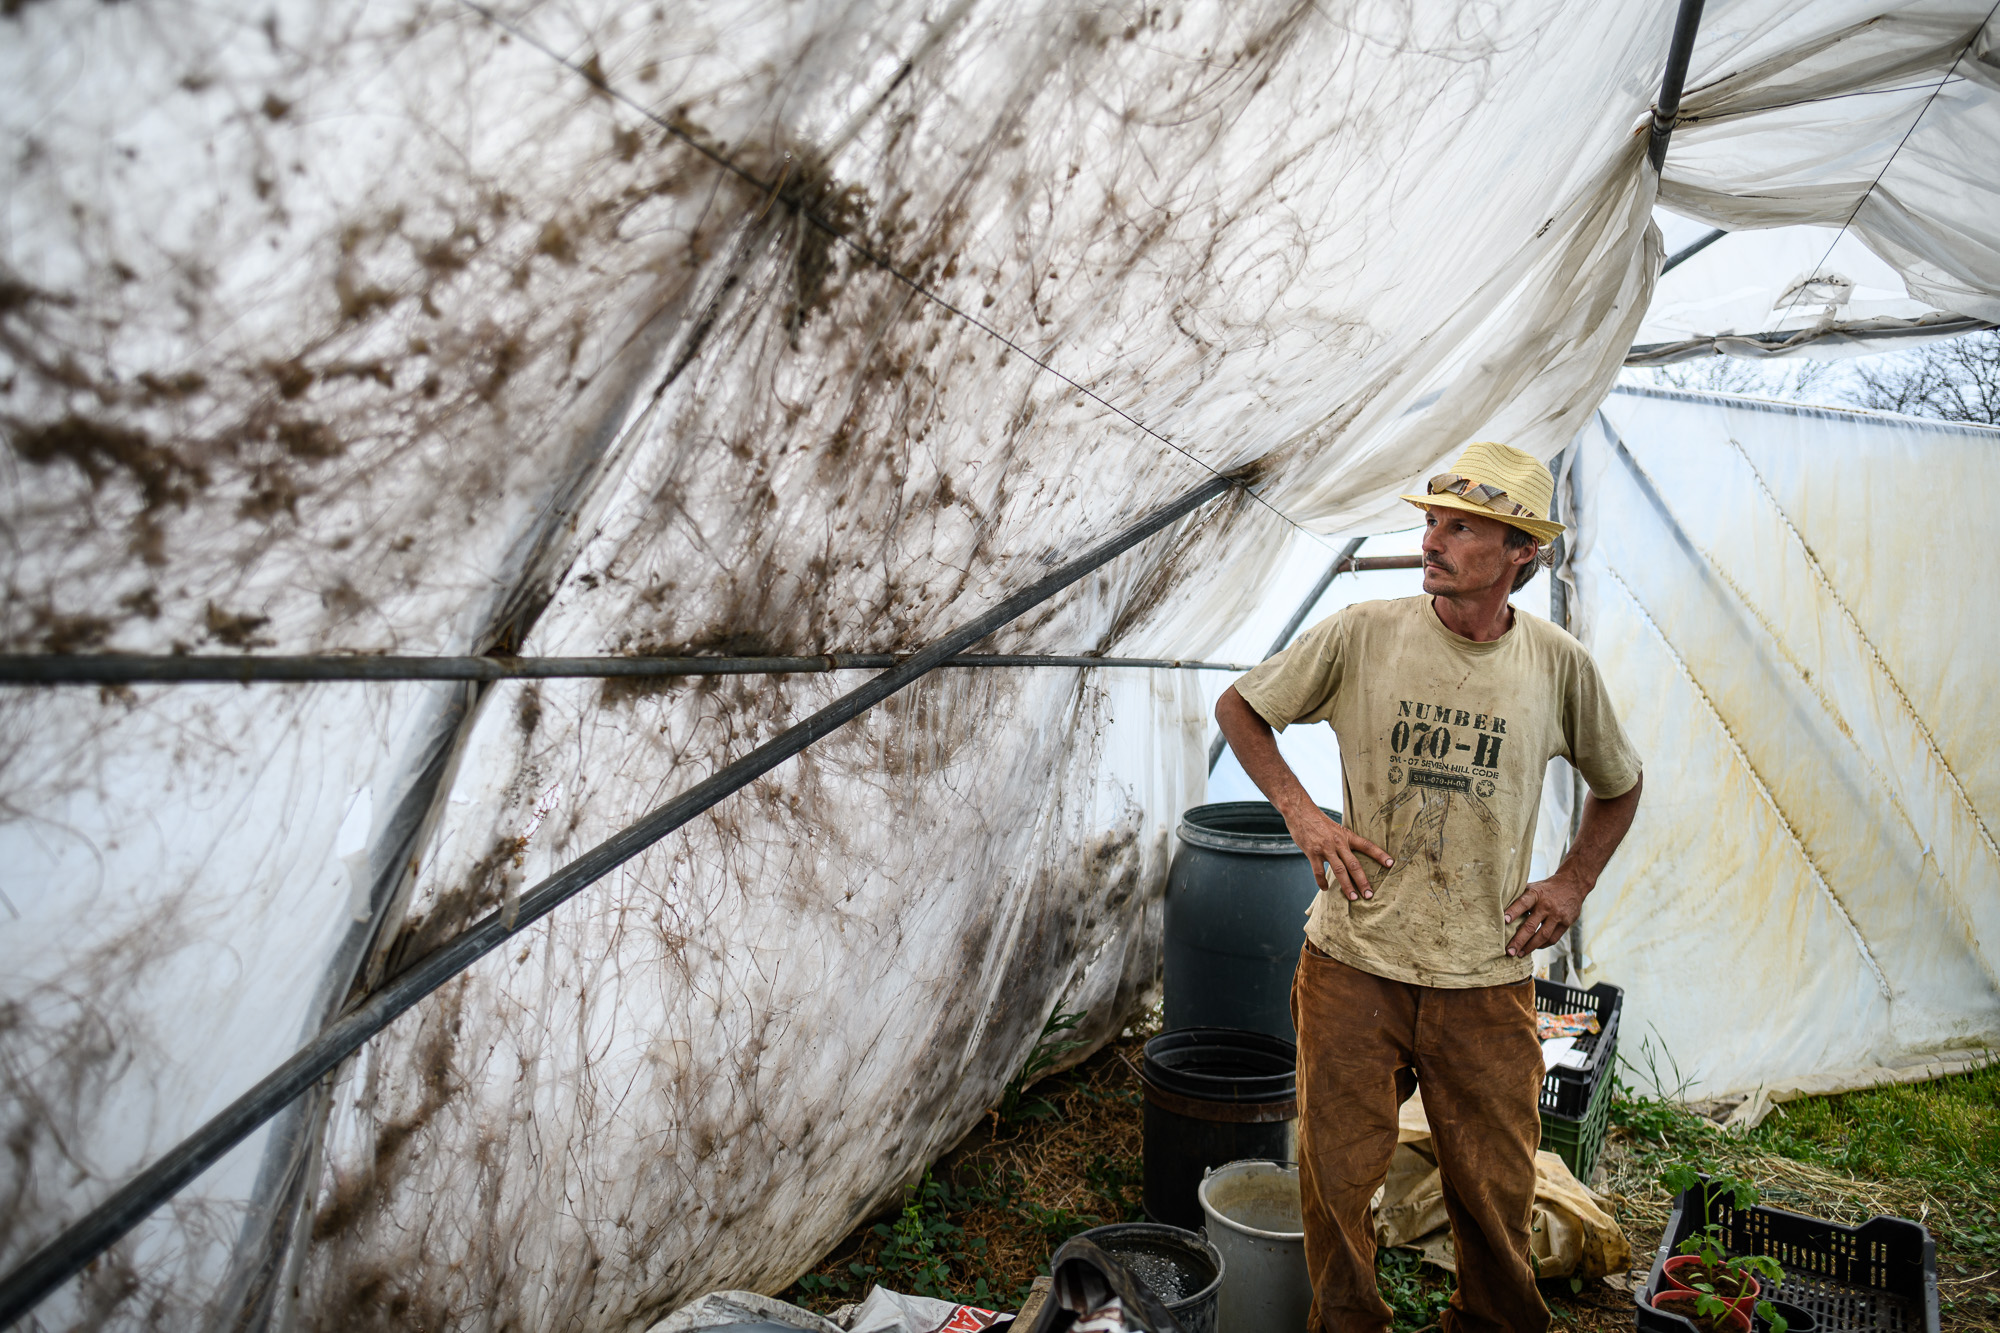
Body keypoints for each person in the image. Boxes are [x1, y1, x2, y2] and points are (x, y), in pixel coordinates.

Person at [1212, 440, 1643, 1333]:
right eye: (1431, 522)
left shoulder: (1557, 664)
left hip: (1484, 972)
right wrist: (1304, 815)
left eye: (1460, 528)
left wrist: (1572, 881)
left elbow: (1621, 782)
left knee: (1495, 1191)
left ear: (1522, 550)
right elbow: (1242, 708)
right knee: (1336, 1186)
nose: (1431, 542)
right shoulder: (1364, 632)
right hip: (1352, 962)